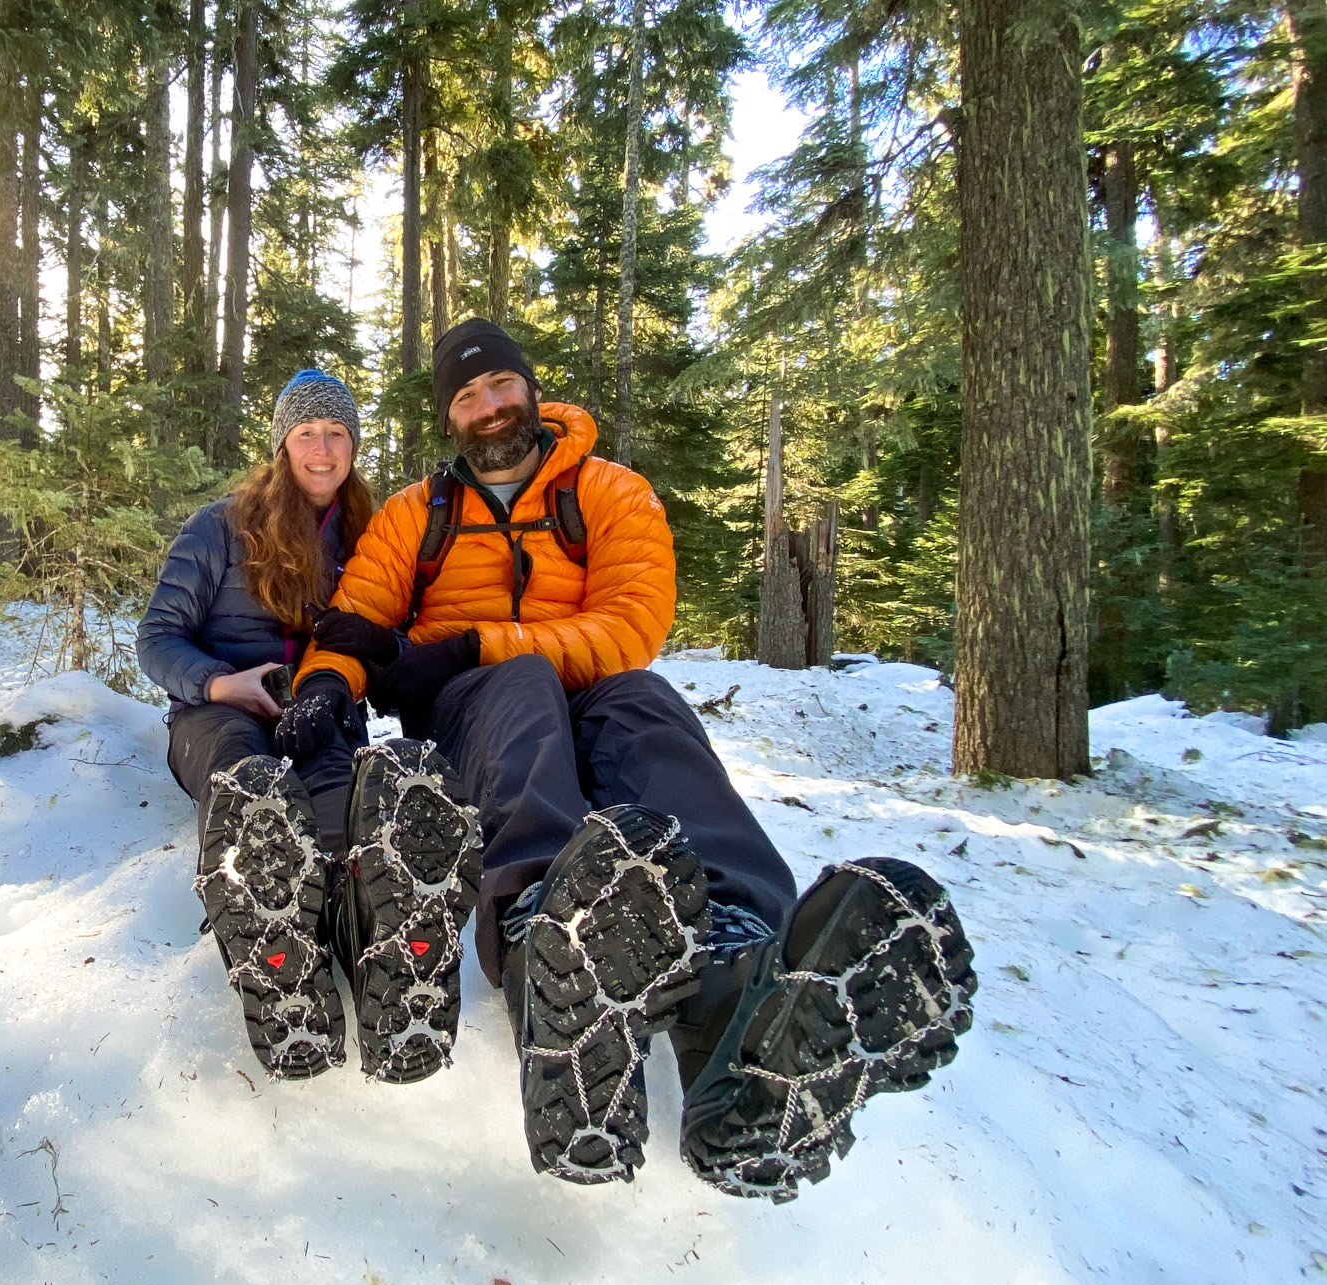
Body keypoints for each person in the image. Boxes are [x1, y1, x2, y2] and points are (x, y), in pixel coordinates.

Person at [288, 319, 977, 1197]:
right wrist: (326, 686)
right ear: (449, 417)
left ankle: (741, 976)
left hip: (579, 683)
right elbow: (356, 617)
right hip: (473, 710)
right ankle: (546, 932)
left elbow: (634, 623)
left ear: (531, 391)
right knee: (523, 690)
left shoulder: (609, 490)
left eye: (500, 385)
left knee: (649, 707)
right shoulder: (412, 514)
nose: (487, 405)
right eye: (466, 396)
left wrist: (475, 642)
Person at [136, 369, 482, 1087]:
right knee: (248, 784)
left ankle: (372, 955)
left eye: (337, 434)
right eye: (306, 434)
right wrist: (221, 683)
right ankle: (270, 945)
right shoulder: (219, 527)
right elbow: (157, 639)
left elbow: (390, 645)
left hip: (320, 713)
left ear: (353, 444)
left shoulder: (372, 535)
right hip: (217, 712)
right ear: (281, 443)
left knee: (336, 807)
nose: (322, 450)